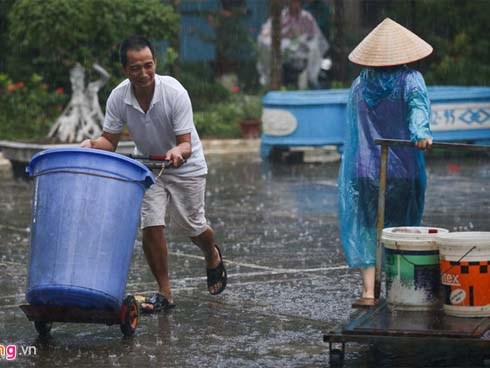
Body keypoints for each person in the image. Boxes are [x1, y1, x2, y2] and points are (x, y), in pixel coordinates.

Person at [80, 35, 227, 313]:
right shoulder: (118, 97)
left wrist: (177, 152)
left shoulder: (174, 93)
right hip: (149, 166)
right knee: (151, 224)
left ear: (155, 63)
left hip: (186, 166)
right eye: (135, 68)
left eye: (148, 65)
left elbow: (185, 142)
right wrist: (91, 145)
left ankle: (211, 252)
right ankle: (165, 292)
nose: (144, 73)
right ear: (125, 69)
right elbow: (108, 142)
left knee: (192, 227)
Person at [337, 18, 433, 304]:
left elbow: (356, 130)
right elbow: (418, 109)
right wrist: (421, 134)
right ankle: (397, 289)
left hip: (364, 169)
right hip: (402, 169)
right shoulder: (410, 79)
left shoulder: (359, 85)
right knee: (400, 228)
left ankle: (368, 292)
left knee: (367, 228)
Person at [257, 0, 328, 89]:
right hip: (283, 49)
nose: (295, 4)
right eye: (292, 2)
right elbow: (265, 32)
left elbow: (316, 35)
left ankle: (312, 79)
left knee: (314, 47)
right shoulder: (281, 16)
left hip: (302, 49)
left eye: (297, 2)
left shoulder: (306, 17)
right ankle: (269, 79)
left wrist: (302, 38)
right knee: (264, 43)